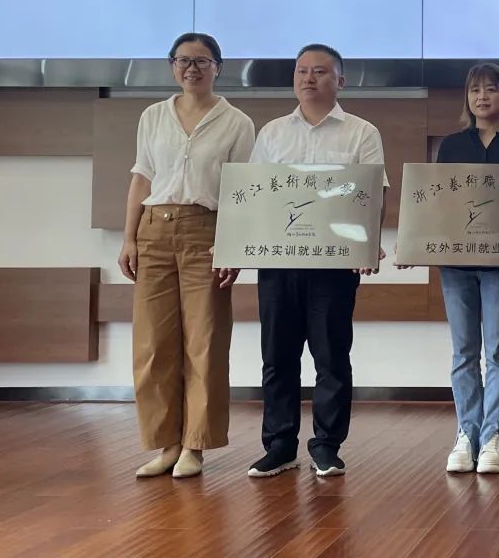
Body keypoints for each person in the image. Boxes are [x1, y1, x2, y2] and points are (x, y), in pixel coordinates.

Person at [244, 43, 387, 479]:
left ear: (340, 80)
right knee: (277, 358)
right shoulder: (272, 133)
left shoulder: (361, 132)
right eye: (302, 71)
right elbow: (254, 194)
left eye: (320, 71)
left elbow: (373, 194)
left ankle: (326, 445)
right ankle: (280, 445)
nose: (309, 78)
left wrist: (366, 245)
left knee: (331, 357)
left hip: (334, 265)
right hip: (278, 262)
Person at [118, 33, 255, 480]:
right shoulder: (152, 115)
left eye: (201, 61)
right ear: (172, 66)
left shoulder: (237, 122)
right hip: (153, 229)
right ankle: (167, 444)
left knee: (205, 342)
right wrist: (129, 238)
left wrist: (233, 245)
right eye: (183, 60)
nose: (191, 68)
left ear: (218, 67)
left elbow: (241, 191)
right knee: (153, 344)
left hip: (206, 233)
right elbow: (142, 178)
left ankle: (195, 446)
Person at [435, 63, 499, 475]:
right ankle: (466, 434)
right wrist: (417, 244)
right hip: (456, 265)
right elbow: (438, 205)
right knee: (463, 352)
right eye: (475, 90)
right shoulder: (450, 146)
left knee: (497, 350)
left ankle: (493, 437)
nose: (482, 97)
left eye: (491, 89)